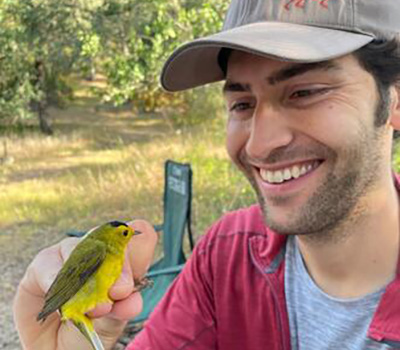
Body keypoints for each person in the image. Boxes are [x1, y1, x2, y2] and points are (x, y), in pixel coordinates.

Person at [13, 0, 400, 349]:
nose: (260, 145)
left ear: (394, 101)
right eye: (242, 103)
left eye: (306, 92)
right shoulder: (226, 257)